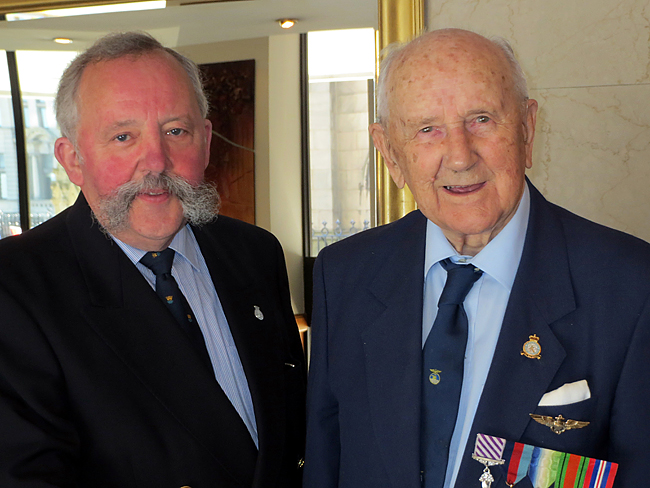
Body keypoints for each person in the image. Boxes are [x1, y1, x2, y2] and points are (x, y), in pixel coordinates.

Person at [304, 28, 650, 488]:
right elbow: (325, 464)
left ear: (527, 130)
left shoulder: (630, 285)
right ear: (390, 154)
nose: (460, 156)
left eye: (482, 119)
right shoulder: (343, 274)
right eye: (427, 129)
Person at [0, 32, 306, 487]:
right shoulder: (16, 285)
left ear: (205, 141)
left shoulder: (255, 253)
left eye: (175, 131)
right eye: (123, 136)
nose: (156, 161)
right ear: (72, 159)